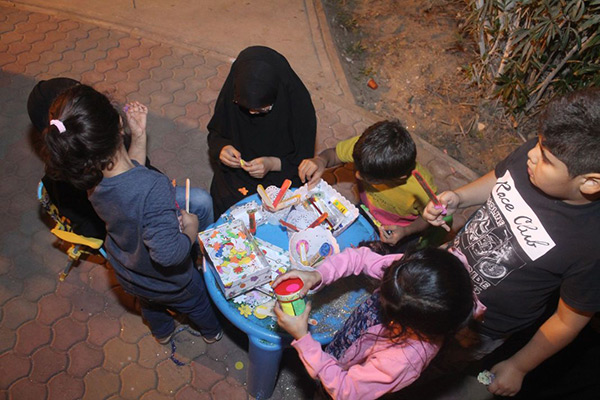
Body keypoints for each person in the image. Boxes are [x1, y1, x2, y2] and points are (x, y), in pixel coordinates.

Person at [423, 87, 600, 397]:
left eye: (546, 159)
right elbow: (500, 178)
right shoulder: (535, 158)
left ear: (590, 182)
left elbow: (567, 321)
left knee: (435, 364)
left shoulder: (592, 245)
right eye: (538, 142)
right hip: (441, 277)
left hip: (478, 328)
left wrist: (519, 365)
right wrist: (460, 198)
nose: (532, 153)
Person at [41, 84, 222, 344]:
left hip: (128, 271)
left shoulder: (90, 177)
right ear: (119, 123)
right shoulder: (153, 188)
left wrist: (138, 136)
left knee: (150, 304)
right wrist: (191, 229)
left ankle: (162, 333)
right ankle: (211, 332)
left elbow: (130, 173)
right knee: (197, 301)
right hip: (168, 281)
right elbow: (168, 255)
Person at [272, 245, 479, 400]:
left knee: (326, 391)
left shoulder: (403, 359)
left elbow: (346, 390)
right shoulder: (410, 274)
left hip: (344, 380)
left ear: (403, 322)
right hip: (352, 342)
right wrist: (318, 275)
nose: (383, 275)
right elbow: (360, 258)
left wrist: (304, 340)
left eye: (384, 299)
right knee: (333, 357)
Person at [28, 78, 213, 238]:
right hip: (140, 231)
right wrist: (187, 231)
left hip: (140, 212)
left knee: (199, 200)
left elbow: (129, 178)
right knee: (201, 201)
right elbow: (168, 253)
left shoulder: (92, 154)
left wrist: (138, 136)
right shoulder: (75, 181)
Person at [207, 46, 317, 218]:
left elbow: (303, 162)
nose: (252, 113)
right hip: (235, 174)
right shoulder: (234, 93)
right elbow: (216, 133)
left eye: (263, 109)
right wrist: (222, 148)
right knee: (226, 210)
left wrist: (272, 163)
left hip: (278, 180)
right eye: (244, 107)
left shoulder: (299, 108)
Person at [299, 119, 440, 246]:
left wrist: (406, 231)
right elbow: (334, 154)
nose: (357, 176)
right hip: (365, 210)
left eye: (370, 179)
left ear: (400, 178)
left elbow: (427, 219)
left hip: (400, 231)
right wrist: (321, 160)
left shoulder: (421, 188)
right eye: (357, 168)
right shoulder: (366, 150)